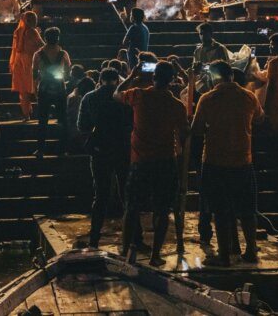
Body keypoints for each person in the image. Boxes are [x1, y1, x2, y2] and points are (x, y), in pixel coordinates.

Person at [114, 61, 190, 266]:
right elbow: (184, 134)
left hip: (140, 161)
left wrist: (131, 76)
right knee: (162, 210)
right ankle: (156, 255)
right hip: (165, 161)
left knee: (132, 208)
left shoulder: (139, 95)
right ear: (172, 80)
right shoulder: (177, 105)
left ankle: (125, 251)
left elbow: (116, 94)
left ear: (153, 76)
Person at [191, 61, 263, 267]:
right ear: (231, 75)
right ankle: (251, 250)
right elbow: (260, 119)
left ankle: (224, 255)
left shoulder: (208, 98)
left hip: (215, 161)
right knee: (247, 209)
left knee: (220, 210)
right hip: (243, 160)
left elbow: (196, 129)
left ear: (214, 77)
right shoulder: (248, 97)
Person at [78, 67, 133, 248]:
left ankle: (94, 238)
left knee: (100, 195)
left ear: (100, 80)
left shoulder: (89, 98)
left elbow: (82, 125)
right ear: (117, 80)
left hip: (100, 149)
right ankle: (134, 238)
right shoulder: (125, 97)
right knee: (127, 194)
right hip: (124, 148)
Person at [32, 27, 71, 158]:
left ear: (45, 39)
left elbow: (34, 73)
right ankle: (63, 149)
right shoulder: (64, 54)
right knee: (63, 119)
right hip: (60, 87)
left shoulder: (38, 54)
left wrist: (39, 80)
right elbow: (68, 72)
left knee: (42, 120)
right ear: (58, 38)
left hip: (44, 87)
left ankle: (41, 149)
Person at [10, 11, 44, 120]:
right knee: (37, 88)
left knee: (23, 90)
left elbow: (16, 49)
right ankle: (44, 113)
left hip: (19, 62)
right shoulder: (32, 32)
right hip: (31, 63)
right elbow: (42, 46)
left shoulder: (18, 31)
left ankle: (26, 115)